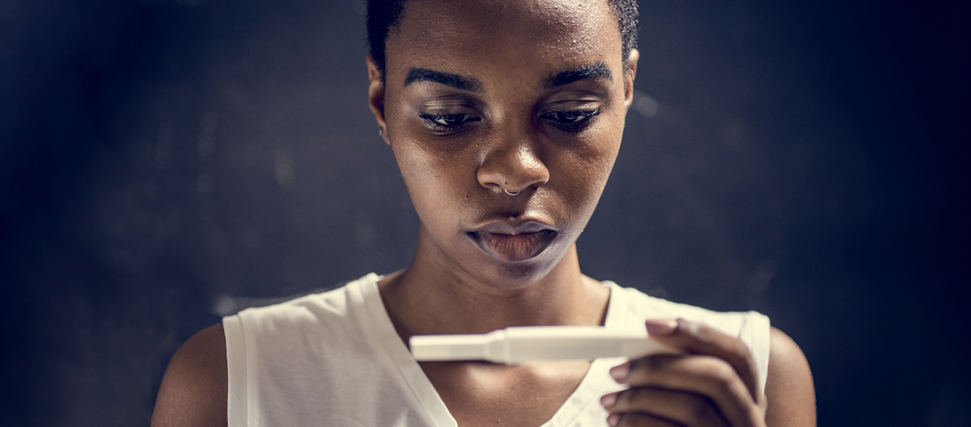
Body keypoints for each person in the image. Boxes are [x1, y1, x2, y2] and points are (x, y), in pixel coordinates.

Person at [151, 0, 816, 425]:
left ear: (626, 91)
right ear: (382, 104)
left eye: (570, 115)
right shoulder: (236, 383)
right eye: (448, 118)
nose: (514, 168)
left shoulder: (747, 378)